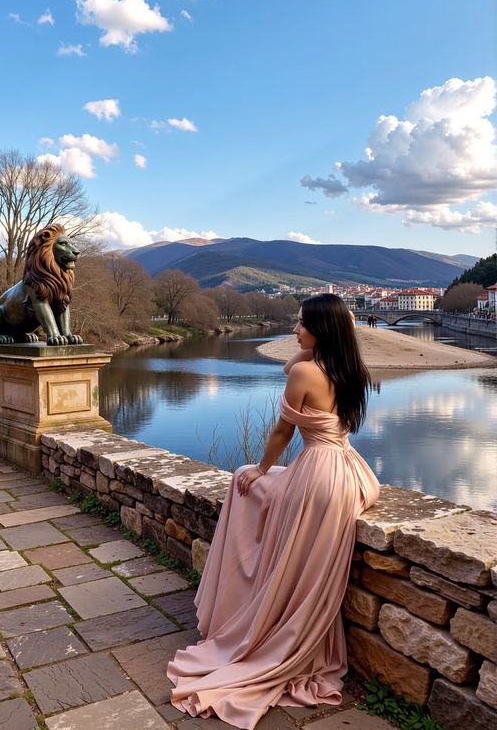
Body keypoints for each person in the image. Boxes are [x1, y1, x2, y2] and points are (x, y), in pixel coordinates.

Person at [167, 294, 380, 730]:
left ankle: (247, 594)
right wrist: (326, 333)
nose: (294, 331)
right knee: (283, 522)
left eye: (302, 324)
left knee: (245, 478)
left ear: (322, 330)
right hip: (347, 470)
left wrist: (261, 468)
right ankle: (262, 592)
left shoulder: (306, 369)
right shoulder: (348, 366)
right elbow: (295, 363)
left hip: (316, 473)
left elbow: (284, 429)